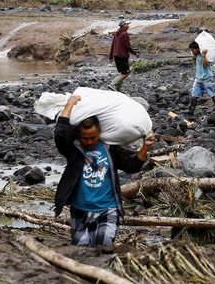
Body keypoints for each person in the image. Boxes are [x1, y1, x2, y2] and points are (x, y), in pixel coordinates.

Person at [53, 95, 155, 249]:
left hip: (108, 209)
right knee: (81, 249)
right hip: (80, 210)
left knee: (105, 246)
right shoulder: (74, 149)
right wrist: (69, 105)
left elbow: (132, 166)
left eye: (93, 137)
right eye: (85, 138)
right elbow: (60, 133)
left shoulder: (110, 149)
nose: (89, 142)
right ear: (79, 136)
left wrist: (145, 147)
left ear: (100, 133)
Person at [188, 41, 215, 114]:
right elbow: (196, 64)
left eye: (193, 50)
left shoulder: (206, 56)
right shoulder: (197, 56)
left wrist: (204, 55)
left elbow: (205, 64)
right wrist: (193, 57)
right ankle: (191, 111)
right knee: (194, 95)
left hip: (207, 78)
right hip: (198, 78)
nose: (192, 51)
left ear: (197, 49)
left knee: (212, 94)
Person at [107, 20, 139, 92]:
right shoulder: (125, 34)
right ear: (122, 25)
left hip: (116, 55)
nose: (128, 25)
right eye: (126, 24)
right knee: (126, 73)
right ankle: (112, 84)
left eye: (128, 24)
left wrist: (111, 56)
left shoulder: (117, 33)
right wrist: (135, 53)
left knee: (122, 73)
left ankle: (118, 89)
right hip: (122, 56)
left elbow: (113, 45)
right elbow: (127, 46)